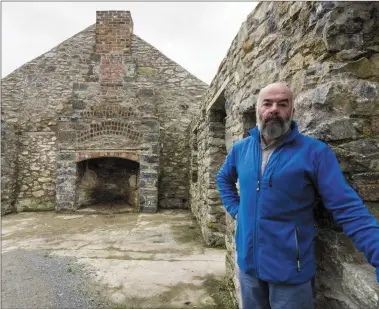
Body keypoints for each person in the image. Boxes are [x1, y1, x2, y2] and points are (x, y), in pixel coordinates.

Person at [216, 82, 379, 309]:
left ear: (292, 111)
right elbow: (223, 179)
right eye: (268, 103)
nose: (274, 109)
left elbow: (347, 208)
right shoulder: (241, 149)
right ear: (258, 109)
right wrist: (237, 210)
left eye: (283, 104)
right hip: (248, 268)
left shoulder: (314, 153)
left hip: (291, 274)